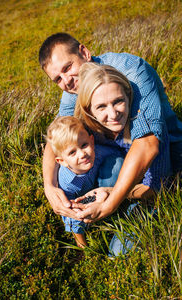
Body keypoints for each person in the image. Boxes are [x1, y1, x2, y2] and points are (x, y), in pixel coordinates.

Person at [39, 32, 182, 223]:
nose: (66, 81)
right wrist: (49, 186)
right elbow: (57, 137)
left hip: (160, 153)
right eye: (57, 79)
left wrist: (111, 202)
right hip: (115, 152)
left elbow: (148, 144)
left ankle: (127, 202)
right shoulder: (72, 89)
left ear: (84, 52)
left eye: (68, 67)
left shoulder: (131, 72)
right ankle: (82, 213)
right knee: (65, 167)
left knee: (121, 248)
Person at [72, 62, 182, 256]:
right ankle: (111, 210)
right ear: (89, 110)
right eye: (101, 106)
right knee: (110, 167)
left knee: (117, 254)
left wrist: (111, 193)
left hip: (152, 193)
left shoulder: (146, 132)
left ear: (129, 97)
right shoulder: (90, 130)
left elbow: (158, 189)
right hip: (124, 183)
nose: (113, 114)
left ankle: (124, 211)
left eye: (118, 101)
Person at [46, 116, 123, 248]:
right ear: (62, 161)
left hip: (99, 187)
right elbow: (70, 214)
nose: (82, 154)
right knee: (76, 212)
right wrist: (81, 243)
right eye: (72, 152)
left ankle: (115, 207)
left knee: (117, 162)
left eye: (84, 145)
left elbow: (118, 153)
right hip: (81, 199)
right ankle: (83, 244)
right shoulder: (66, 183)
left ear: (91, 141)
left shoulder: (97, 152)